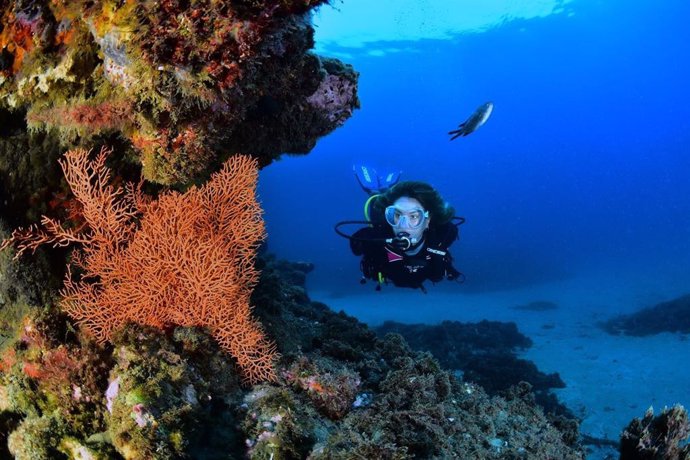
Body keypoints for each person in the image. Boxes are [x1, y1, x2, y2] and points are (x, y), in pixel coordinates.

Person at [338, 169, 463, 292]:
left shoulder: (444, 233)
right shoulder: (378, 236)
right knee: (378, 209)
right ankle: (376, 191)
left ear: (427, 220)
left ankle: (385, 190)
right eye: (397, 215)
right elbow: (357, 244)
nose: (402, 225)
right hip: (383, 227)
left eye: (413, 216)